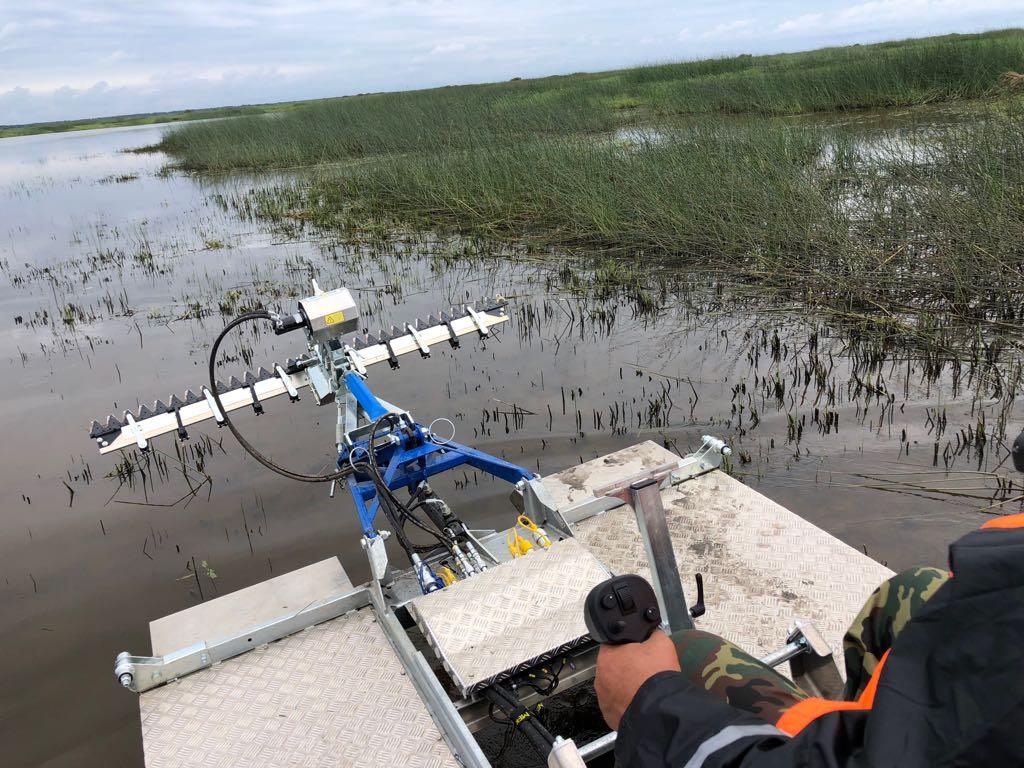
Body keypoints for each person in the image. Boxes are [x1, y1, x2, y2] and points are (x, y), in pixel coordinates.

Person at [594, 514, 1024, 767]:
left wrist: (652, 710)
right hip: (909, 730)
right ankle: (854, 713)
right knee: (911, 592)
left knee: (689, 649)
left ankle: (839, 729)